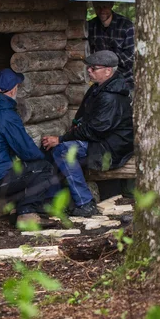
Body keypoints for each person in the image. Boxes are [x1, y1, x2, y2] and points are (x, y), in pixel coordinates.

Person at [42, 50, 134, 217]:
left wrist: (62, 139)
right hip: (102, 140)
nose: (89, 71)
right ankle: (53, 200)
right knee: (52, 149)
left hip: (112, 147)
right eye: (89, 68)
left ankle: (85, 203)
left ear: (108, 71)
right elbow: (83, 119)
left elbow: (96, 130)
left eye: (94, 68)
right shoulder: (99, 89)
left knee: (63, 151)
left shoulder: (111, 96)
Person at [0, 68, 60, 226]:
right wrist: (46, 159)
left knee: (22, 169)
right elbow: (27, 151)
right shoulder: (6, 115)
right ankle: (27, 213)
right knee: (43, 169)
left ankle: (17, 208)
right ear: (14, 89)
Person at [88, 1, 135, 87]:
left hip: (124, 82)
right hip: (99, 82)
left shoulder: (126, 26)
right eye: (98, 7)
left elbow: (130, 57)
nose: (102, 10)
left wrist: (108, 68)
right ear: (93, 6)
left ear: (111, 5)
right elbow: (89, 54)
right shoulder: (90, 26)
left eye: (105, 6)